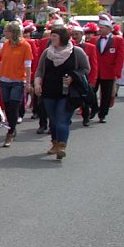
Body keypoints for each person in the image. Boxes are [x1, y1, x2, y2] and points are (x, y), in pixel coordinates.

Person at [34, 24, 90, 160]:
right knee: (53, 120)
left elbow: (85, 68)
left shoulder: (76, 52)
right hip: (49, 91)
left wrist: (73, 77)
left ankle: (62, 146)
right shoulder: (47, 52)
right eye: (51, 35)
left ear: (62, 37)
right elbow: (40, 70)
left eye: (54, 36)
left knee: (62, 120)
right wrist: (37, 83)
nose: (51, 38)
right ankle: (55, 143)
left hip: (68, 93)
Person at [0, 22, 33, 147]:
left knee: (14, 106)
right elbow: (3, 62)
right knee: (7, 106)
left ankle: (10, 132)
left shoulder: (25, 46)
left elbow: (28, 66)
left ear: (13, 33)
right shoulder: (6, 45)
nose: (5, 34)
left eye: (7, 31)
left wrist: (28, 83)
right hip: (5, 80)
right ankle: (12, 127)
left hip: (18, 80)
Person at [91, 13, 124, 123]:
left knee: (106, 94)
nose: (100, 29)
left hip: (109, 71)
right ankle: (94, 108)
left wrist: (117, 72)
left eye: (102, 27)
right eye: (100, 27)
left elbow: (120, 56)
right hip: (95, 71)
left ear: (108, 28)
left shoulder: (118, 40)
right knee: (91, 91)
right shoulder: (94, 40)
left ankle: (102, 114)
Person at [69, 22, 99, 126]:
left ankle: (86, 118)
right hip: (72, 77)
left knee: (85, 100)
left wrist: (92, 80)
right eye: (73, 34)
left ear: (82, 34)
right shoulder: (69, 46)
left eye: (77, 34)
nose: (75, 36)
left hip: (85, 78)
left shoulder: (90, 47)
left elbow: (94, 65)